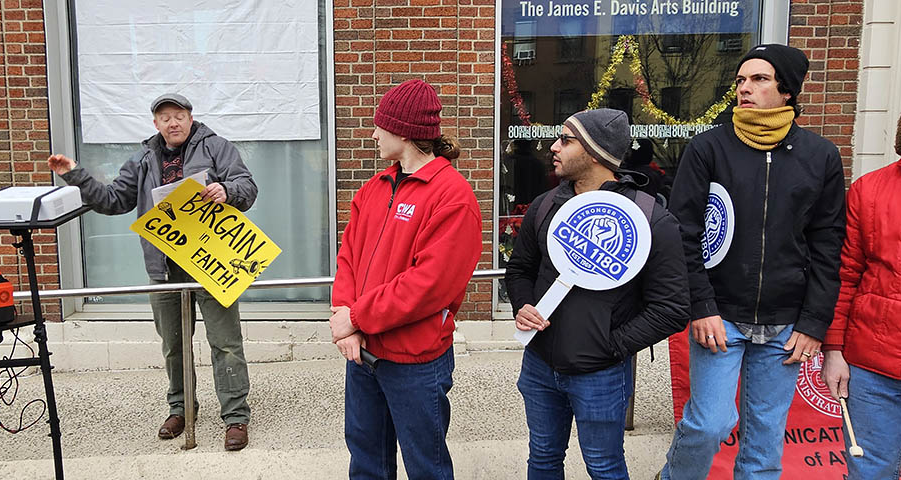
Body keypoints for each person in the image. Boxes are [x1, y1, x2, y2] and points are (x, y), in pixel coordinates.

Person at [659, 44, 846, 479]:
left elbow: (828, 243)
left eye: (759, 79)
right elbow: (683, 234)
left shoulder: (821, 156)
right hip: (720, 317)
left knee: (764, 442)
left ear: (787, 91)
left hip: (786, 325)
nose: (745, 88)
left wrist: (813, 322)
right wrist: (701, 307)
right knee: (708, 425)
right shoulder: (708, 147)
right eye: (741, 80)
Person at [47, 93, 257, 450]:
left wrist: (227, 190)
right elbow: (113, 200)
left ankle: (235, 417)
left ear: (190, 117)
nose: (173, 123)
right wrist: (75, 175)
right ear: (156, 123)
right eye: (165, 117)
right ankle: (181, 409)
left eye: (179, 115)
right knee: (174, 346)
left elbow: (248, 187)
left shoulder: (218, 148)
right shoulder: (143, 158)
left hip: (213, 262)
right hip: (164, 268)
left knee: (226, 344)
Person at [505, 108, 690, 479]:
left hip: (601, 374)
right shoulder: (545, 206)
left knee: (604, 467)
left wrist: (611, 346)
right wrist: (523, 305)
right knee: (542, 459)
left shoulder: (650, 219)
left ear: (595, 153)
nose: (553, 147)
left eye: (566, 140)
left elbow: (671, 308)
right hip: (539, 366)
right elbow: (520, 269)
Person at [329, 79, 482, 480]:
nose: (374, 134)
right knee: (366, 463)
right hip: (363, 353)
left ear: (404, 132)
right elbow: (348, 257)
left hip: (415, 361)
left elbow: (429, 285)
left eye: (380, 126)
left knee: (426, 467)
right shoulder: (374, 188)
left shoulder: (453, 196)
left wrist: (355, 318)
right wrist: (345, 319)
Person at [821, 113, 901, 480]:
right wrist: (834, 350)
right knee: (870, 472)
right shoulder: (869, 191)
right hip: (872, 367)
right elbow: (844, 275)